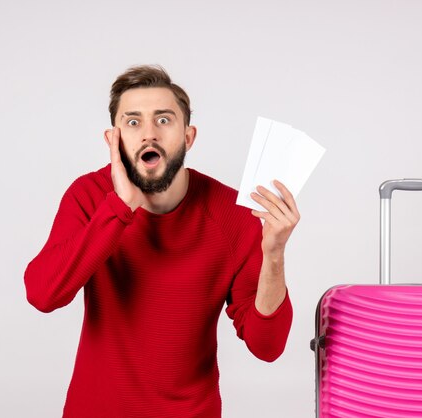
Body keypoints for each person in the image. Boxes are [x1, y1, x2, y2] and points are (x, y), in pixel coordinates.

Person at [24, 65, 300, 418]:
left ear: (188, 137)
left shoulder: (233, 216)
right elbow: (43, 295)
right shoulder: (90, 196)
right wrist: (119, 209)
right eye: (133, 122)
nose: (148, 134)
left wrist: (274, 252)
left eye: (164, 120)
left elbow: (268, 346)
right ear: (113, 139)